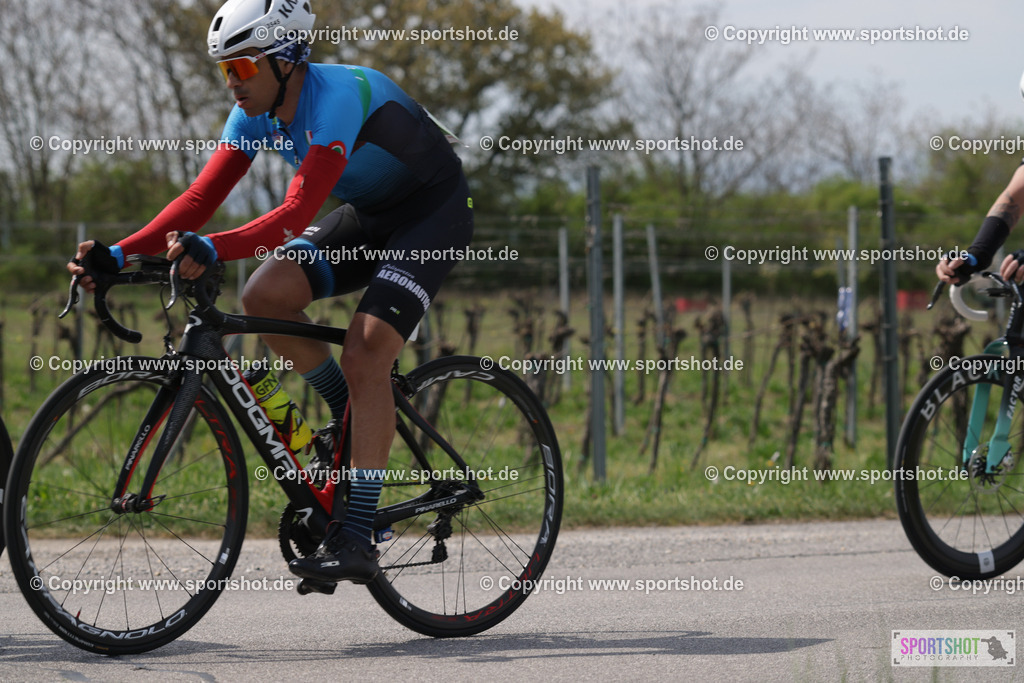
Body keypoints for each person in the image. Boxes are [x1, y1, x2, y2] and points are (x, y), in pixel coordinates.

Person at [67, 0, 473, 585]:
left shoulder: (334, 99)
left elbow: (293, 215)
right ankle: (346, 407)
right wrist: (120, 253)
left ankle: (359, 534)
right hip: (370, 215)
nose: (233, 83)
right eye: (224, 71)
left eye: (243, 68)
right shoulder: (252, 112)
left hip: (432, 216)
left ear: (286, 58)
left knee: (365, 352)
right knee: (264, 297)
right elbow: (198, 201)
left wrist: (212, 248)